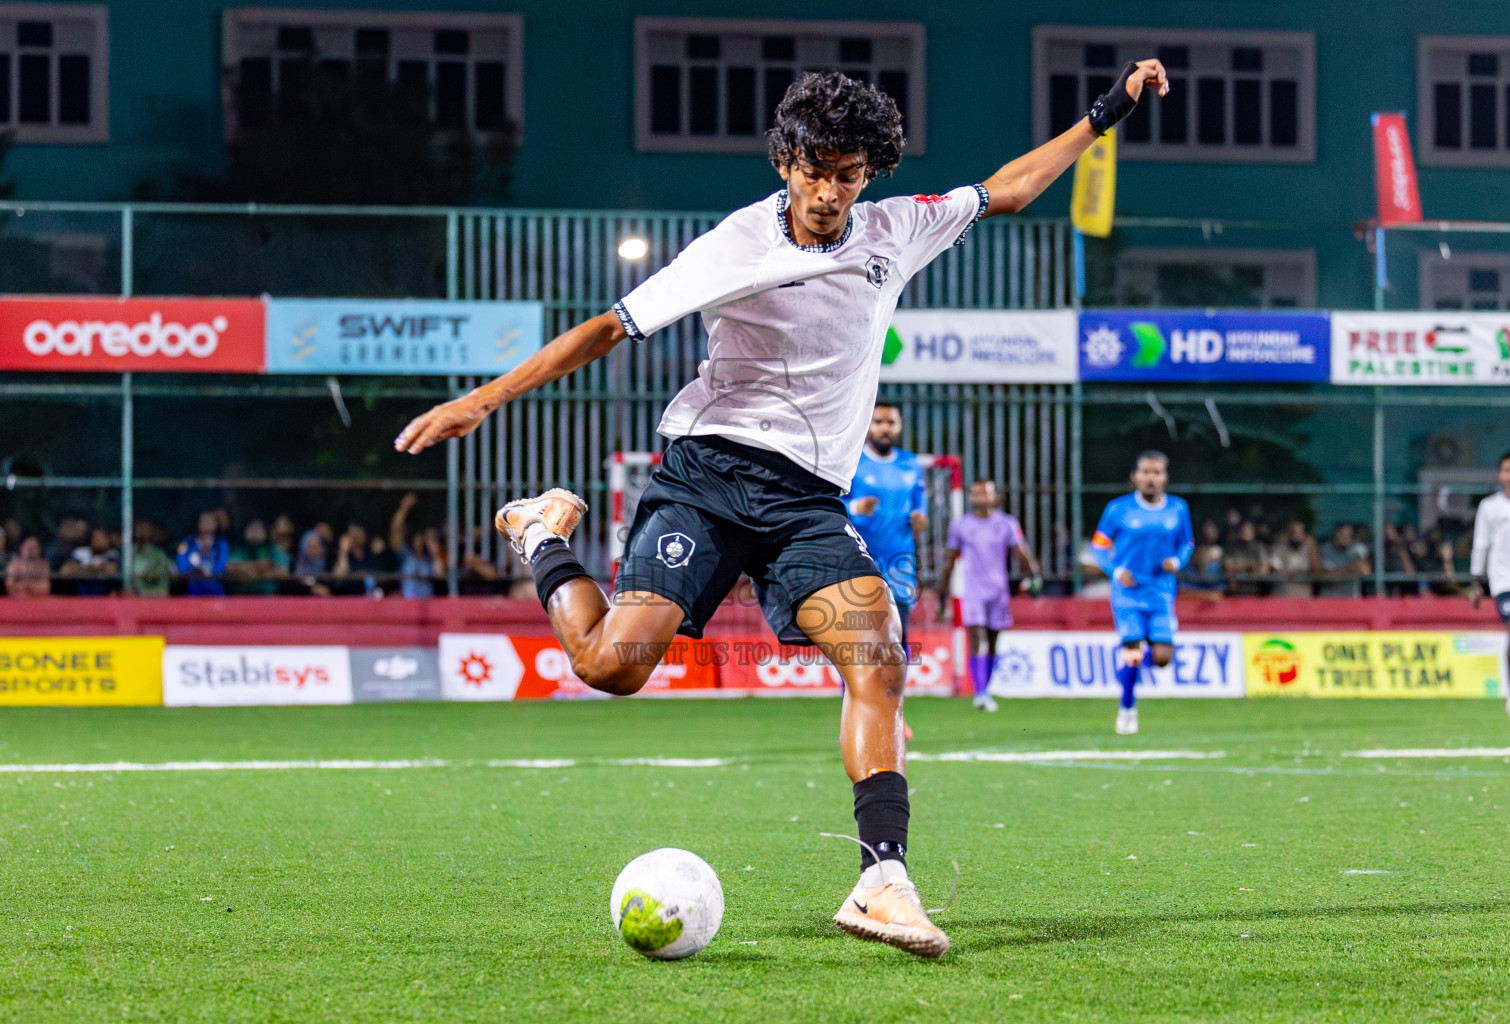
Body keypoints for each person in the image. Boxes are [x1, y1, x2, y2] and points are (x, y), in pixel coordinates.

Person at [394, 61, 1169, 959]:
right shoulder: (736, 245)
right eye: (816, 168)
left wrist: (1105, 112)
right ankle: (541, 531)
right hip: (708, 477)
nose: (831, 191)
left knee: (878, 657)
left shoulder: (895, 229)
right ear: (787, 158)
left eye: (850, 174)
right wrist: (482, 401)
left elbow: (1011, 187)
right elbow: (608, 328)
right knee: (611, 666)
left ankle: (883, 880)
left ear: (868, 175)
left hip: (806, 501)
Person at [1091, 451, 1194, 736]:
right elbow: (1098, 545)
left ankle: (1124, 671)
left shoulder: (1178, 509)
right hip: (1127, 592)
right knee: (1133, 652)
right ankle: (1127, 708)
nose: (1152, 478)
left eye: (1157, 472)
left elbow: (1187, 543)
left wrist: (1177, 561)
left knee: (1162, 657)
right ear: (1135, 477)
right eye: (1146, 472)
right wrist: (1114, 570)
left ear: (1165, 477)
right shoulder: (1117, 510)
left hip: (1160, 592)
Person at [935, 480, 1041, 713]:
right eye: (974, 493)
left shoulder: (1006, 524)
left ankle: (986, 688)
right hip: (972, 591)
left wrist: (1033, 575)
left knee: (993, 642)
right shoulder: (962, 525)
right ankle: (980, 693)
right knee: (977, 639)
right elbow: (949, 560)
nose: (978, 497)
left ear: (995, 497)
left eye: (984, 493)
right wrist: (942, 593)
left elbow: (1020, 551)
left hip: (998, 591)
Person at [844, 401, 928, 647]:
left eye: (891, 423)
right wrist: (855, 507)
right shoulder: (853, 462)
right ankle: (849, 688)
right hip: (858, 562)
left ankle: (896, 688)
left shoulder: (911, 464)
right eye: (878, 422)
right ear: (868, 425)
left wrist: (920, 519)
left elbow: (919, 509)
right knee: (855, 642)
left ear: (900, 426)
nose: (885, 428)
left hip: (900, 564)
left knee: (897, 640)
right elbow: (830, 506)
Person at [1470, 450, 1510, 722]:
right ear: (1500, 476)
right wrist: (1476, 580)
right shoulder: (1490, 507)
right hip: (1504, 581)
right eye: (1508, 470)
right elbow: (1481, 543)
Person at [176, 511, 230, 596]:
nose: (206, 523)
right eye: (203, 520)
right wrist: (194, 570)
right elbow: (181, 565)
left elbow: (221, 565)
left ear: (216, 524)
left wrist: (208, 572)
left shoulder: (220, 544)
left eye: (210, 520)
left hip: (214, 586)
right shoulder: (187, 543)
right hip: (193, 586)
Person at [228, 519, 288, 595]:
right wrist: (260, 566)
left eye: (259, 528)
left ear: (265, 531)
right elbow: (231, 567)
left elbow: (282, 571)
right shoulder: (238, 549)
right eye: (252, 528)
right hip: (240, 596)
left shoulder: (272, 549)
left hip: (268, 597)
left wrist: (252, 574)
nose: (255, 532)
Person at [1269, 521, 1321, 598]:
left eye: (1300, 533)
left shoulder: (1309, 550)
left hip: (1303, 596)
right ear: (1289, 534)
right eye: (1294, 533)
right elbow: (1274, 567)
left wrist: (1312, 547)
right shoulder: (1279, 549)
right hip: (1282, 594)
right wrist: (1288, 572)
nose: (1297, 536)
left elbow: (1317, 570)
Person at [1317, 523, 1370, 597]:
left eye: (1349, 535)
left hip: (1351, 599)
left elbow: (1364, 571)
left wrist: (1341, 572)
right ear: (1336, 534)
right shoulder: (1325, 550)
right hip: (1330, 599)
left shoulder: (1356, 548)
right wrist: (1352, 569)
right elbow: (1331, 578)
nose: (1347, 538)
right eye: (1344, 535)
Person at [130, 520, 175, 597]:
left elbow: (164, 571)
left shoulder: (159, 553)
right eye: (139, 529)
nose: (142, 532)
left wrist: (150, 575)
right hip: (137, 595)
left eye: (145, 529)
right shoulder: (130, 553)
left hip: (157, 594)